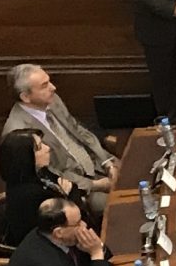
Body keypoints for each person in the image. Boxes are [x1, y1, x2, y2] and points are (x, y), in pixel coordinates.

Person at [6, 62, 117, 214]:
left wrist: (107, 162)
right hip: (77, 187)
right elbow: (50, 175)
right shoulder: (19, 133)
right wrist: (96, 185)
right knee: (122, 206)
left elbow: (78, 130)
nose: (53, 88)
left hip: (95, 162)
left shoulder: (52, 99)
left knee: (140, 174)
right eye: (44, 86)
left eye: (49, 81)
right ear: (25, 97)